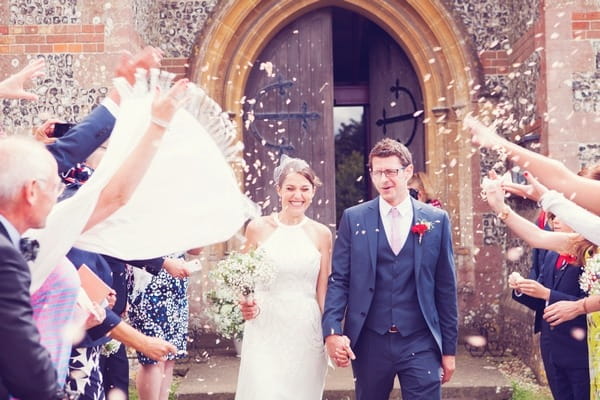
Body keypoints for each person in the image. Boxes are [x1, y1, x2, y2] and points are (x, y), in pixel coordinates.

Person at [322, 138, 458, 400]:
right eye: (377, 172)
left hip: (420, 339)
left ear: (407, 172)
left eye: (391, 171)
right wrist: (332, 331)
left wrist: (449, 350)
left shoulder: (436, 220)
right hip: (370, 340)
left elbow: (445, 288)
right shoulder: (354, 218)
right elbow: (340, 279)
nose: (384, 179)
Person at [236, 155, 331, 400]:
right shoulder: (257, 227)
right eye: (290, 188)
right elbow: (242, 277)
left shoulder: (322, 234)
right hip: (265, 323)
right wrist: (244, 302)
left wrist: (331, 331)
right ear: (279, 190)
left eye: (304, 189)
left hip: (305, 327)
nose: (296, 195)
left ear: (313, 192)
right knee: (264, 391)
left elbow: (323, 290)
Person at [0, 136, 63, 400]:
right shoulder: (4, 256)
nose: (58, 197)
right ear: (32, 190)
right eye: (56, 187)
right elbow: (20, 356)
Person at [509, 212, 589, 400]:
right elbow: (541, 300)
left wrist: (547, 294)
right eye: (553, 217)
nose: (556, 221)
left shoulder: (590, 255)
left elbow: (589, 302)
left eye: (562, 216)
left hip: (580, 347)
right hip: (552, 346)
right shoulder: (552, 255)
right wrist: (522, 288)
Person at [128, 255, 192, 400]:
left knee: (169, 357)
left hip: (176, 287)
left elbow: (195, 249)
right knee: (153, 358)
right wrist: (166, 263)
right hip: (150, 284)